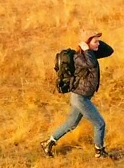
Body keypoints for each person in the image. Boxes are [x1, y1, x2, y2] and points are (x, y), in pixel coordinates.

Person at [41, 30, 115, 159]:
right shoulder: (78, 57)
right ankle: (100, 151)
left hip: (82, 96)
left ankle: (48, 143)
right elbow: (90, 64)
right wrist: (86, 49)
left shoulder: (90, 54)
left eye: (98, 41)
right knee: (100, 123)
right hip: (80, 98)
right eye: (95, 41)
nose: (98, 44)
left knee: (71, 123)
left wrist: (94, 41)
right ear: (86, 44)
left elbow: (109, 51)